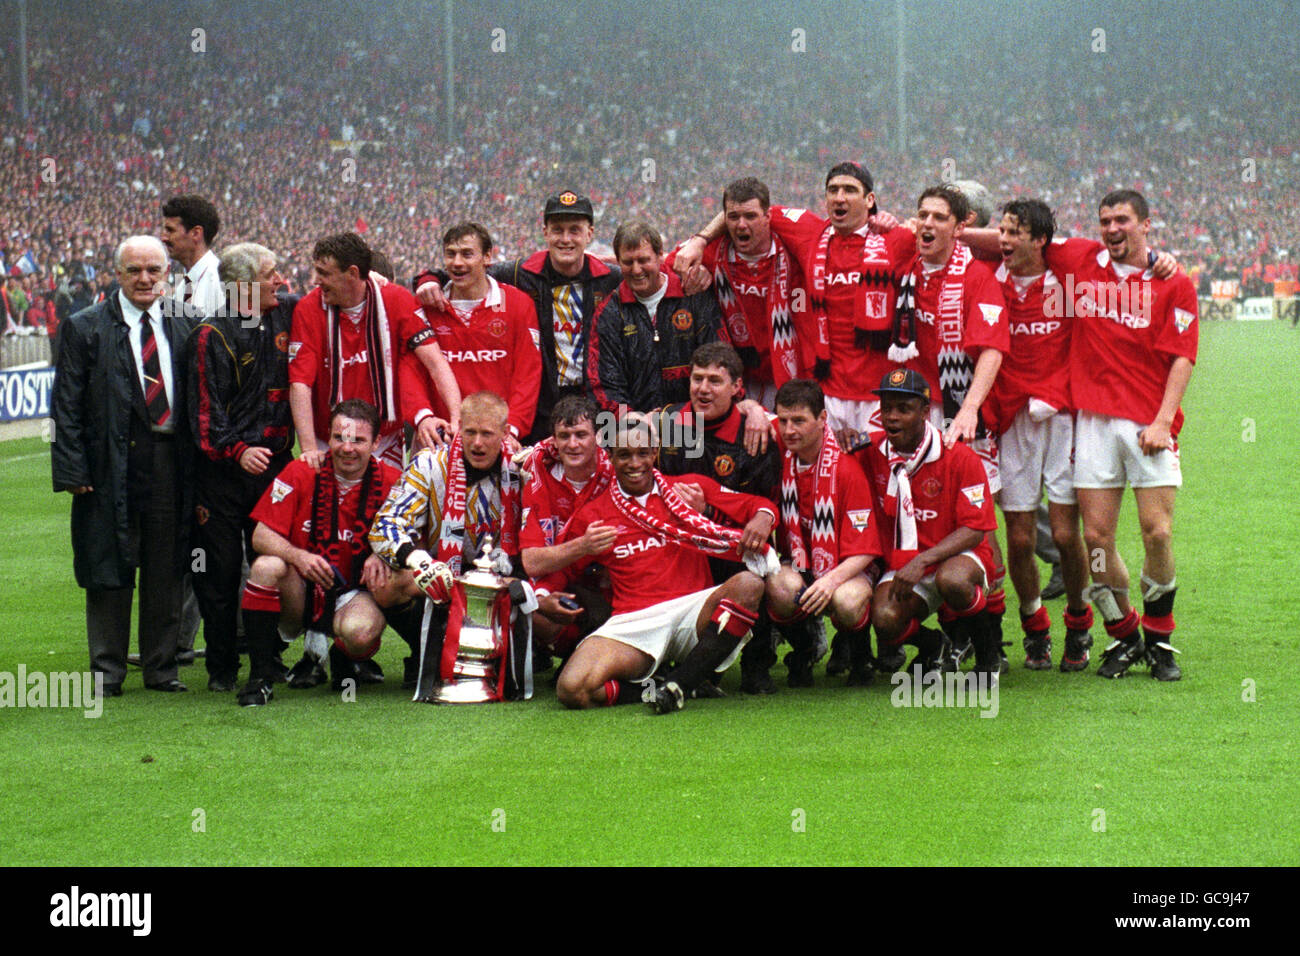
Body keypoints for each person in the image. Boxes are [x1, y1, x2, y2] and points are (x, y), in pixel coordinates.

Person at [1045, 190, 1197, 680]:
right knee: (1095, 538)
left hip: (1148, 423)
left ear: (1146, 225)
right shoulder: (1083, 260)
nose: (1112, 229)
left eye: (1123, 220)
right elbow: (1019, 237)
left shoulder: (1173, 282)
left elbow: (1182, 357)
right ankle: (1124, 634)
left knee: (1158, 531)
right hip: (1091, 421)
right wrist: (957, 232)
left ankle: (1160, 636)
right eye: (1105, 220)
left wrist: (1161, 420)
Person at [543, 417, 777, 714]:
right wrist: (548, 591)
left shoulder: (686, 491)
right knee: (572, 689)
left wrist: (762, 519)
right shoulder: (594, 514)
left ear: (655, 453)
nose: (634, 463)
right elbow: (564, 569)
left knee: (749, 584)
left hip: (693, 611)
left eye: (643, 453)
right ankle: (669, 683)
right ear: (611, 457)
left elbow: (759, 505)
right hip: (635, 620)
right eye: (624, 455)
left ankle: (681, 682)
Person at [674, 162, 913, 448]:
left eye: (850, 190)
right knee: (823, 472)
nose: (840, 197)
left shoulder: (896, 240)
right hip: (824, 391)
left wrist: (901, 223)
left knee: (879, 472)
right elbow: (743, 211)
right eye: (833, 190)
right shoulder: (810, 231)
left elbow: (943, 240)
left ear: (870, 200)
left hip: (877, 391)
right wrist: (699, 241)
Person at [50, 235, 198, 695]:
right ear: (117, 274)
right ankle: (107, 672)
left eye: (154, 270)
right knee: (107, 566)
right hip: (107, 464)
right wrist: (73, 471)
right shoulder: (85, 326)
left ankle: (161, 668)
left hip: (170, 462)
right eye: (134, 270)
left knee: (166, 567)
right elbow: (66, 407)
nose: (145, 279)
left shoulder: (187, 322)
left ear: (166, 274)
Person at [980, 199, 1095, 671]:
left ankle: (1079, 623)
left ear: (1040, 240)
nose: (1004, 239)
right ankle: (1034, 627)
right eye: (1001, 231)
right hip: (1014, 421)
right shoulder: (991, 282)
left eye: (1014, 232)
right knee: (1022, 539)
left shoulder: (1066, 282)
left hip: (1063, 417)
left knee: (1067, 536)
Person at [415, 190, 621, 445]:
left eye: (574, 230)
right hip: (542, 408)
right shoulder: (518, 273)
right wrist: (428, 279)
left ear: (590, 233)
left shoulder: (612, 278)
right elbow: (465, 269)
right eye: (557, 230)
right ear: (545, 232)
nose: (565, 239)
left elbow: (653, 269)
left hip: (596, 402)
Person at [237, 400, 406, 706]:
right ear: (328, 436)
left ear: (376, 442)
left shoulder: (394, 481)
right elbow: (260, 535)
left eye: (358, 440)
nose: (347, 448)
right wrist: (297, 556)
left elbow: (414, 545)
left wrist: (382, 553)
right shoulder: (302, 469)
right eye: (340, 437)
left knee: (361, 633)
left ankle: (343, 657)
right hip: (301, 589)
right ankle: (260, 677)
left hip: (354, 591)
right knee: (266, 566)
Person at [183, 242, 298, 692]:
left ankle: (268, 662)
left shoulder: (286, 314)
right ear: (243, 285)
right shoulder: (211, 335)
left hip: (274, 471)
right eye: (271, 273)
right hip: (222, 477)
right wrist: (237, 452)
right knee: (220, 571)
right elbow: (205, 416)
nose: (280, 280)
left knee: (271, 564)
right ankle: (222, 666)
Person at [368, 391, 526, 700]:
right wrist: (417, 559)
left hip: (502, 577)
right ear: (458, 428)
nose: (477, 443)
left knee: (538, 597)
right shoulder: (429, 464)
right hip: (445, 574)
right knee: (387, 585)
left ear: (505, 434)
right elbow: (384, 525)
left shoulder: (524, 468)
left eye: (487, 434)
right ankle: (427, 650)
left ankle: (521, 659)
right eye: (470, 432)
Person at [655, 342, 784, 693]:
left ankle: (757, 664)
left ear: (737, 388)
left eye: (714, 381)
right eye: (697, 379)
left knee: (757, 561)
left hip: (735, 543)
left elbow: (768, 504)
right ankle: (687, 663)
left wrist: (712, 513)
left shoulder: (755, 432)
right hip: (681, 542)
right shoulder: (667, 425)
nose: (703, 389)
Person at [858, 369, 1002, 678]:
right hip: (906, 562)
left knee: (952, 580)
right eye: (886, 408)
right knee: (883, 619)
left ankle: (989, 657)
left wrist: (925, 560)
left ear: (925, 412)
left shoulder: (960, 457)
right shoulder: (869, 452)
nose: (892, 417)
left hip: (957, 558)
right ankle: (934, 644)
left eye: (903, 409)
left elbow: (977, 528)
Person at [289, 231, 460, 472]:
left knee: (384, 507)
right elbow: (300, 383)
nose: (316, 280)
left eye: (324, 273)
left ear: (352, 274)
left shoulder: (396, 299)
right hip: (328, 438)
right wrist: (308, 449)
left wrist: (456, 417)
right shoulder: (308, 308)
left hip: (383, 438)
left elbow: (435, 362)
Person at [763, 379, 885, 686]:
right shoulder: (782, 455)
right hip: (802, 563)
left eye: (799, 421)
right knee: (777, 589)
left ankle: (860, 657)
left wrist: (829, 581)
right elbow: (747, 415)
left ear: (822, 420)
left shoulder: (846, 467)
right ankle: (805, 650)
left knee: (845, 600)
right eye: (784, 421)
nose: (789, 430)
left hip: (850, 565)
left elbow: (866, 549)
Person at [664, 178, 812, 409]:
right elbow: (666, 266)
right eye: (733, 217)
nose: (741, 225)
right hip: (738, 379)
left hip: (790, 374)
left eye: (751, 217)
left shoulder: (792, 248)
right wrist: (697, 259)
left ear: (768, 217)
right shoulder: (713, 252)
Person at [409, 222, 542, 450]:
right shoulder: (426, 307)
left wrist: (511, 429)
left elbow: (528, 375)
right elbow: (411, 368)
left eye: (467, 254)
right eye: (451, 254)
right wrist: (423, 416)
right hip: (442, 438)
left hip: (498, 439)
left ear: (487, 257)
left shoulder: (518, 304)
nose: (457, 262)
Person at [587, 220, 723, 414]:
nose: (636, 270)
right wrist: (629, 418)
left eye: (643, 260)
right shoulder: (609, 313)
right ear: (618, 261)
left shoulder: (693, 296)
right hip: (635, 429)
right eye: (628, 262)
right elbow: (602, 383)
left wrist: (679, 417)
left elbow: (720, 360)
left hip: (695, 420)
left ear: (660, 256)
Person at [518, 394, 616, 662]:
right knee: (529, 607)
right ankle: (551, 650)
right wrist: (583, 545)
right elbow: (532, 562)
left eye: (581, 435)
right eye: (564, 436)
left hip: (608, 582)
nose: (572, 444)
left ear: (597, 437)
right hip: (554, 580)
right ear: (554, 440)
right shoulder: (537, 477)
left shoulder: (616, 475)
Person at [161, 194, 224, 317]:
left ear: (196, 233)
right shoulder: (184, 284)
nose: (163, 238)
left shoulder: (219, 283)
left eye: (170, 230)